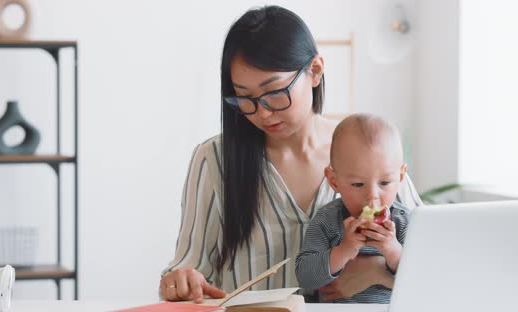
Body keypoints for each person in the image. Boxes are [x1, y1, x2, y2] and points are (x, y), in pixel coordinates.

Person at [159, 5, 423, 303]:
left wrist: (378, 272)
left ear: (315, 71)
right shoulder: (213, 160)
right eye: (244, 98)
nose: (262, 112)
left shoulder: (371, 151)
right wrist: (179, 280)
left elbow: (433, 260)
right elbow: (186, 267)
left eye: (274, 92)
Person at [295, 113, 411, 303]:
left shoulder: (405, 221)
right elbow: (305, 277)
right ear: (334, 181)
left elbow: (423, 278)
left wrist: (393, 250)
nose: (373, 195)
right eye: (358, 184)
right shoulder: (327, 220)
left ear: (400, 177)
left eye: (385, 182)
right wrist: (343, 251)